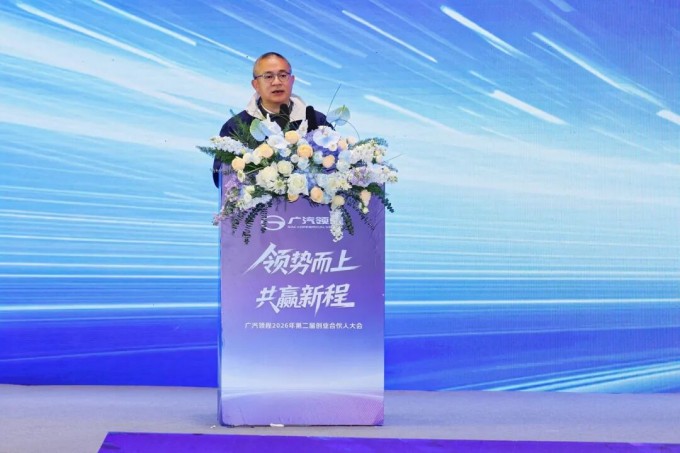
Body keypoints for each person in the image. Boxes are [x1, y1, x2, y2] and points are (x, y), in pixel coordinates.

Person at [213, 52, 330, 187]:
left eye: (283, 75)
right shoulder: (236, 126)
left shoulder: (316, 120)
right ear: (256, 84)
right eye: (268, 76)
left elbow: (335, 164)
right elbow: (221, 177)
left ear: (292, 80)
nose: (276, 82)